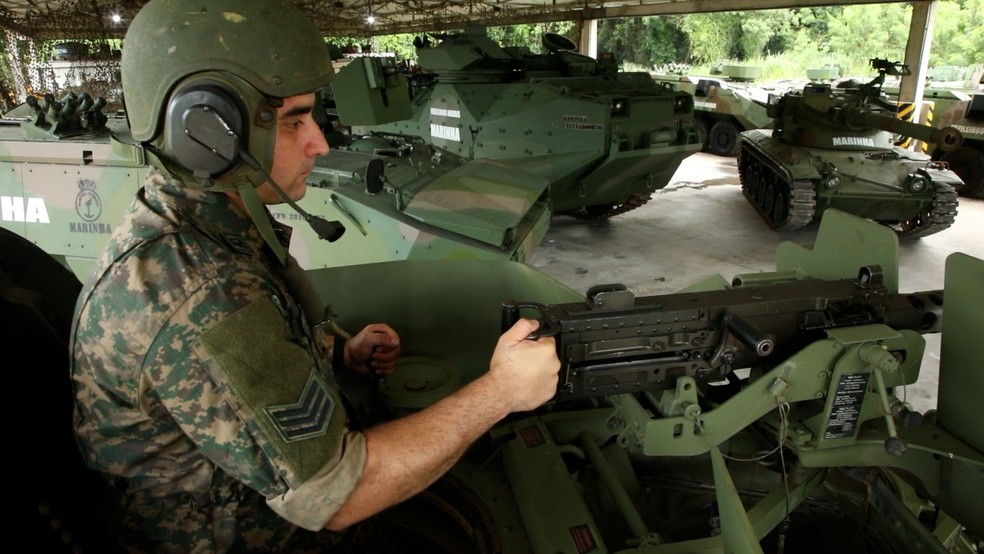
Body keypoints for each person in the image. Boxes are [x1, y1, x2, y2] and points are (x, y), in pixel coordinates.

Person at [69, 0, 561, 552]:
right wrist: (499, 393)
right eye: (293, 121)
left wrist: (336, 353)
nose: (320, 144)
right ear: (207, 133)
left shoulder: (211, 220)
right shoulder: (198, 289)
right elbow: (339, 495)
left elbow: (241, 370)